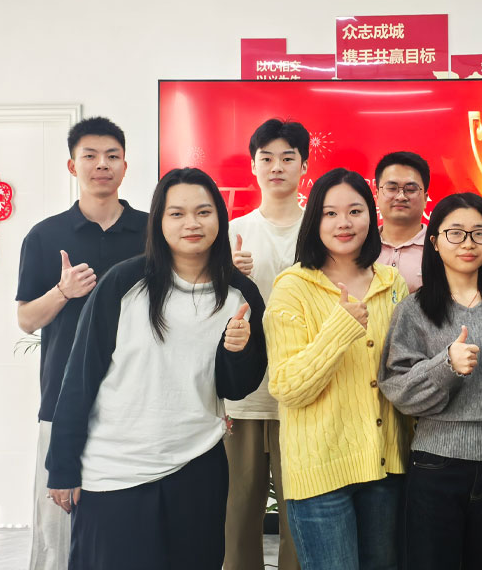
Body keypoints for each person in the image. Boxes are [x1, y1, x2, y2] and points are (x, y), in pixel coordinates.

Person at [45, 167, 267, 568]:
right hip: (115, 470)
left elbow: (236, 387)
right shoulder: (124, 284)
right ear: (159, 221)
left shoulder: (240, 293)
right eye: (176, 213)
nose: (191, 223)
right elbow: (80, 377)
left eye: (203, 212)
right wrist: (62, 466)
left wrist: (238, 352)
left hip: (197, 467)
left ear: (220, 217)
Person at [379, 192, 482, 570]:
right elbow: (397, 387)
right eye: (455, 233)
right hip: (434, 467)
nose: (468, 243)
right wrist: (445, 365)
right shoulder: (414, 310)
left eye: (479, 233)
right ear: (435, 241)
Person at [15, 117, 147, 570]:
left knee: (127, 536)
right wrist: (62, 292)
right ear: (73, 166)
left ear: (125, 166)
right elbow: (26, 320)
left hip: (138, 405)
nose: (101, 164)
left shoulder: (153, 232)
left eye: (112, 156)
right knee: (57, 537)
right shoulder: (45, 236)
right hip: (62, 402)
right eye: (90, 156)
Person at [263, 168, 410, 570]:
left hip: (384, 469)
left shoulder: (391, 282)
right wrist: (340, 328)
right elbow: (287, 387)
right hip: (320, 475)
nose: (344, 223)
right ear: (315, 220)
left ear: (371, 217)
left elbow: (401, 372)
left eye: (355, 211)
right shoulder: (292, 287)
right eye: (330, 213)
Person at [225, 118, 308, 570]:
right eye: (267, 158)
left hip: (303, 389)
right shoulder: (232, 230)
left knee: (301, 510)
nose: (277, 167)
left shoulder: (321, 229)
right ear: (253, 166)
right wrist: (227, 275)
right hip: (245, 392)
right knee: (238, 510)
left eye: (287, 158)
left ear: (304, 166)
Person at [374, 151, 430, 293]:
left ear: (425, 198)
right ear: (377, 195)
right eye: (392, 188)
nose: (400, 196)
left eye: (410, 189)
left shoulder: (439, 247)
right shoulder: (360, 245)